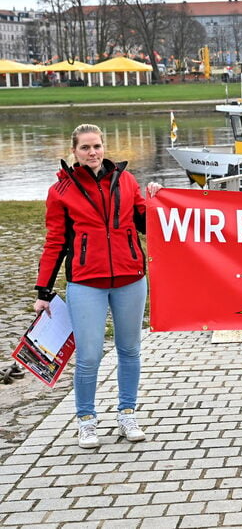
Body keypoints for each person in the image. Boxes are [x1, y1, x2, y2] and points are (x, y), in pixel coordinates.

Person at [33, 124, 161, 449]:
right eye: (85, 147)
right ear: (74, 152)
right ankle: (86, 420)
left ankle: (127, 413)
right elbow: (55, 243)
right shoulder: (60, 192)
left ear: (104, 147)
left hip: (131, 278)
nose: (92, 152)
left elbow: (146, 224)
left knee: (130, 350)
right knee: (89, 355)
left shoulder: (127, 180)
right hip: (86, 283)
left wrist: (156, 200)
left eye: (97, 146)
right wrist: (43, 291)